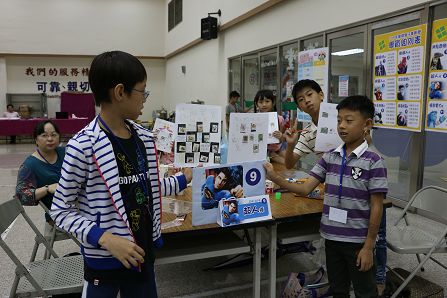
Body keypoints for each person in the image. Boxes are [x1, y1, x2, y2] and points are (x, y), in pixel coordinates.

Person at [50, 51, 193, 298]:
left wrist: (183, 179)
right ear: (119, 92)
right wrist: (105, 238)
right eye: (142, 91)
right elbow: (60, 210)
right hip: (105, 259)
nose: (145, 99)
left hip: (142, 251)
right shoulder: (84, 146)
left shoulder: (144, 139)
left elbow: (144, 186)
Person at [264, 95, 387, 297]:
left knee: (365, 291)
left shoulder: (374, 161)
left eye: (349, 121)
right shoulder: (330, 156)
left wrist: (368, 246)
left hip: (358, 242)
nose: (342, 126)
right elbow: (305, 188)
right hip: (331, 238)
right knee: (338, 289)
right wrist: (274, 177)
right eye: (339, 120)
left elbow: (377, 206)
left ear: (367, 124)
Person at [15, 120, 64, 223]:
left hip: (82, 205)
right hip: (60, 215)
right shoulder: (29, 165)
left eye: (53, 135)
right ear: (36, 139)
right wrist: (47, 188)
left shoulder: (66, 152)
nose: (50, 139)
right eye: (44, 135)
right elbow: (21, 196)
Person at [283, 79, 324, 169]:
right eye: (301, 99)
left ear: (321, 95)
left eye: (309, 94)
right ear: (299, 107)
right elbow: (289, 165)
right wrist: (290, 144)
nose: (307, 100)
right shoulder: (307, 133)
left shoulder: (341, 119)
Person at [253, 89, 286, 163]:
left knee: (289, 161)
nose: (264, 104)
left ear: (273, 103)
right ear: (256, 104)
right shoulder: (253, 119)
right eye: (261, 102)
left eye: (267, 101)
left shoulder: (279, 119)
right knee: (283, 162)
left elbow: (281, 139)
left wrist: (281, 136)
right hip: (262, 151)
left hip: (277, 148)